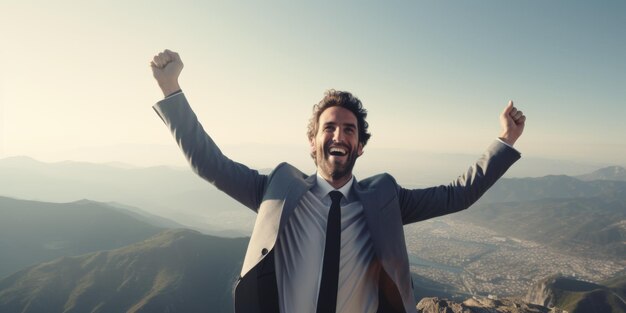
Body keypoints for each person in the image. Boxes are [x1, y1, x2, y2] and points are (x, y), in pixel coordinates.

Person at [150, 49, 526, 313]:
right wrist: (171, 90)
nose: (338, 135)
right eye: (328, 127)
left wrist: (504, 140)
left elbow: (457, 195)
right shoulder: (276, 191)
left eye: (349, 130)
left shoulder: (385, 199)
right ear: (313, 142)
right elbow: (211, 164)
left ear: (360, 147)